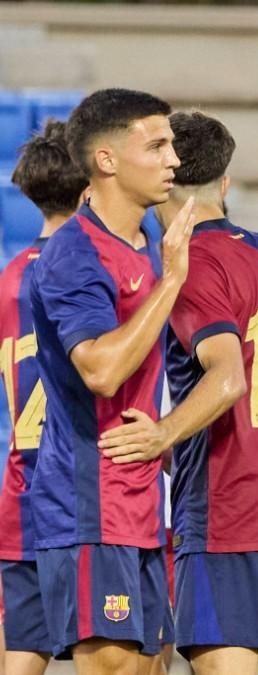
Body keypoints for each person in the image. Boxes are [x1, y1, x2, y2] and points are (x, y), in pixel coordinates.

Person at [99, 110, 258, 675]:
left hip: (229, 507)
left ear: (165, 176)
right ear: (226, 184)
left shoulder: (188, 266)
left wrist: (162, 433)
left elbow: (229, 376)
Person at [28, 88, 197, 673]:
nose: (173, 159)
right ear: (106, 160)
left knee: (153, 666)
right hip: (88, 508)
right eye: (156, 145)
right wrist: (172, 282)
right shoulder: (75, 254)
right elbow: (101, 369)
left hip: (145, 504)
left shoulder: (151, 243)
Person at [0, 121, 89, 675]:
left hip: (19, 487)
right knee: (123, 651)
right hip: (82, 492)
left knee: (22, 656)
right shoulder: (89, 271)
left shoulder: (9, 277)